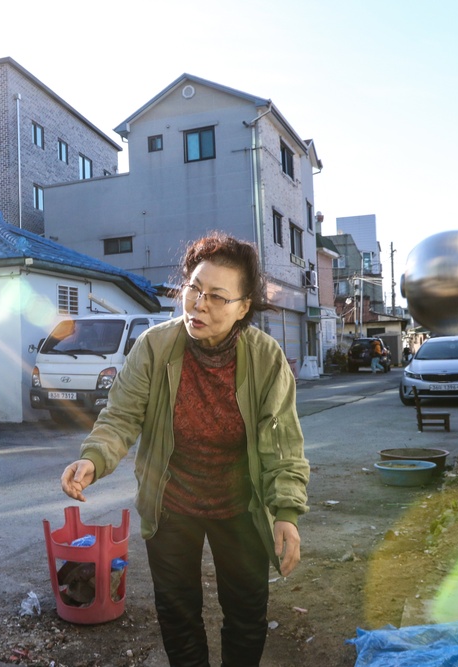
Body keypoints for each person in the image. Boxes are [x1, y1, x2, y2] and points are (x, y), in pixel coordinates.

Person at [60, 233, 310, 666]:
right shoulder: (155, 348)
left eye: (216, 296)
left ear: (243, 307)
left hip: (241, 506)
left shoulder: (266, 358)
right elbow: (121, 417)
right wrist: (93, 457)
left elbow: (282, 444)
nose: (199, 304)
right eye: (194, 288)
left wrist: (286, 512)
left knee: (248, 614)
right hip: (171, 503)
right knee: (177, 615)